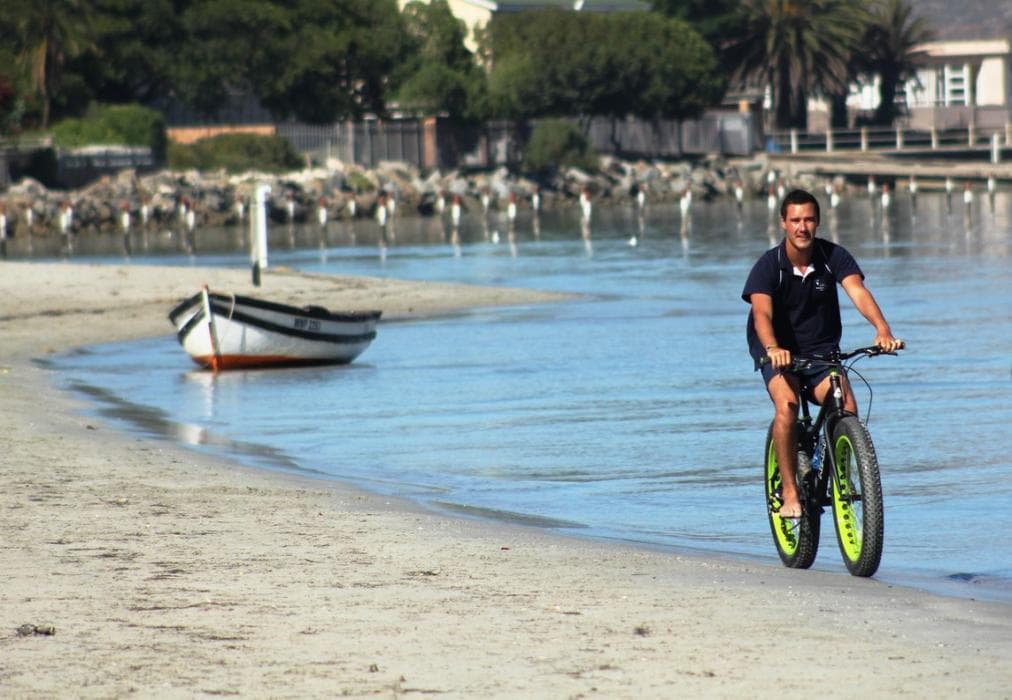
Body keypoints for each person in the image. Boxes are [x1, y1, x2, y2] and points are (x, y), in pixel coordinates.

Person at [742, 189, 902, 518]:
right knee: (786, 404)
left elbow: (857, 291)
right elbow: (761, 314)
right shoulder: (768, 266)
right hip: (776, 350)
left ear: (818, 222)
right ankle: (789, 493)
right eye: (796, 220)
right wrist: (773, 348)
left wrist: (882, 330)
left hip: (821, 351)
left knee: (846, 406)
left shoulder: (833, 257)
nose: (803, 227)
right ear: (783, 223)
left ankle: (839, 477)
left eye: (809, 220)